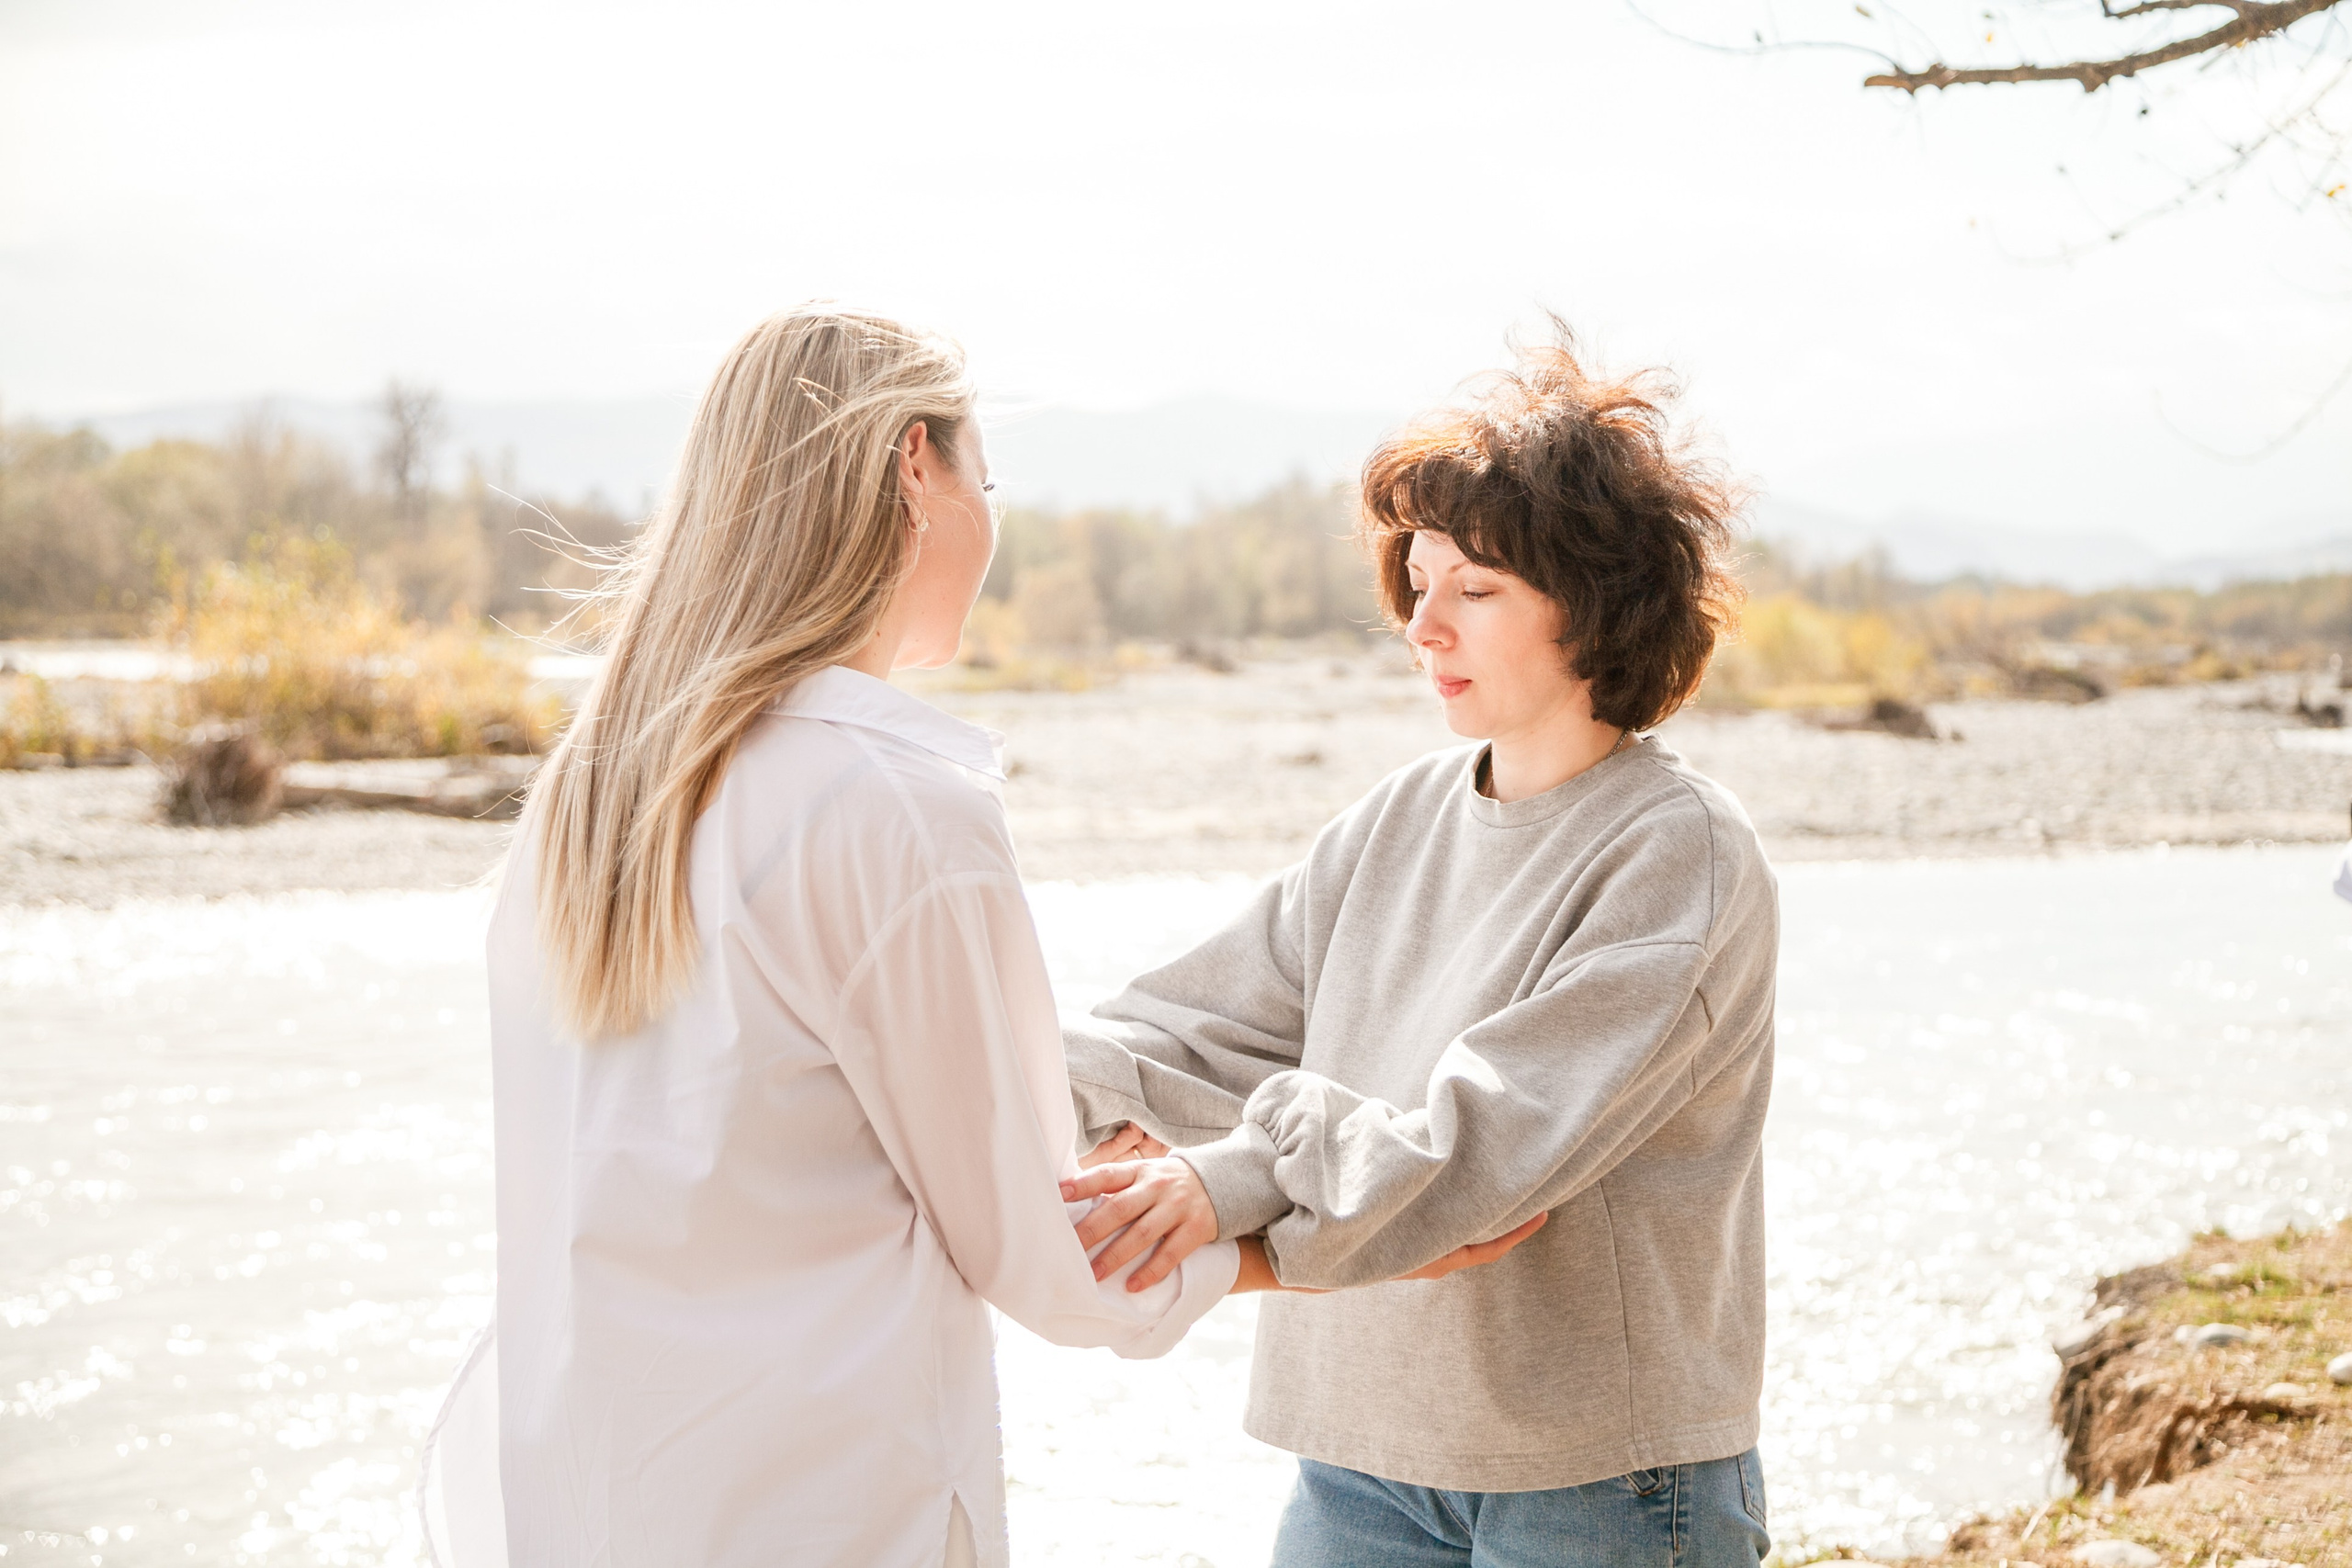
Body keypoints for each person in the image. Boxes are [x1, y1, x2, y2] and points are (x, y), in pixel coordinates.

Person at [420, 305, 1541, 1568]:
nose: (992, 523)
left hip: (584, 1499)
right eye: (985, 476)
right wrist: (1325, 1251)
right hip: (819, 1505)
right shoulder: (893, 807)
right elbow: (1044, 1255)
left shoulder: (589, 795)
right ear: (915, 467)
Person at [1059, 329, 1779, 1566]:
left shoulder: (1678, 856)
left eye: (1477, 591)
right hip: (1357, 1460)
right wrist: (976, 1070)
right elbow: (1177, 1040)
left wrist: (1219, 1185)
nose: (1421, 625)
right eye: (1420, 579)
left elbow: (1477, 1156)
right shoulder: (1393, 823)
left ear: (1596, 608)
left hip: (1597, 1482)